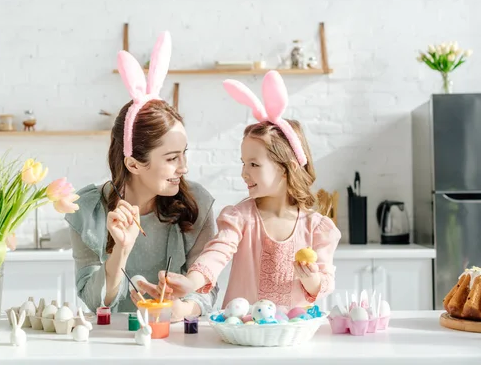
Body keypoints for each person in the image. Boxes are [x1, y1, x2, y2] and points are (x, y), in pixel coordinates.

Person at [65, 31, 218, 321]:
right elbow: (94, 303)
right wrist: (120, 250)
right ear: (134, 164)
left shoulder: (198, 203)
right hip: (113, 345)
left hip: (179, 340)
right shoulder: (86, 210)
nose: (184, 167)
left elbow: (207, 288)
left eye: (184, 153)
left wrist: (180, 308)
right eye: (172, 158)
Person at [158, 71, 341, 309]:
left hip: (292, 336)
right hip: (241, 334)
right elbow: (217, 252)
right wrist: (191, 282)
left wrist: (313, 280)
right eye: (243, 163)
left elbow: (326, 282)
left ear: (287, 168)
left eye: (254, 164)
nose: (244, 173)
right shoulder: (240, 218)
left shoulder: (316, 227)